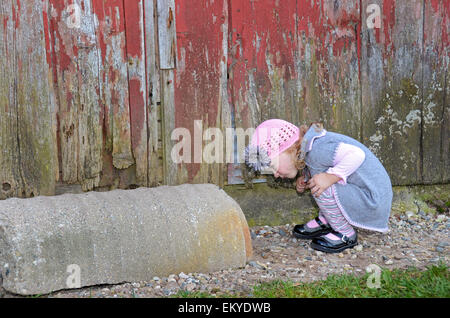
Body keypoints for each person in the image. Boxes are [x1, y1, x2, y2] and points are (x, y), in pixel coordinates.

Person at [244, 119, 393, 253]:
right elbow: (321, 169)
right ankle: (328, 220)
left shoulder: (318, 149)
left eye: (274, 166)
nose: (275, 174)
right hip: (364, 195)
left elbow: (357, 154)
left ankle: (346, 234)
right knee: (318, 181)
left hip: (373, 201)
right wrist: (305, 178)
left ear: (289, 150)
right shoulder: (308, 150)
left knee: (322, 183)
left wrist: (330, 177)